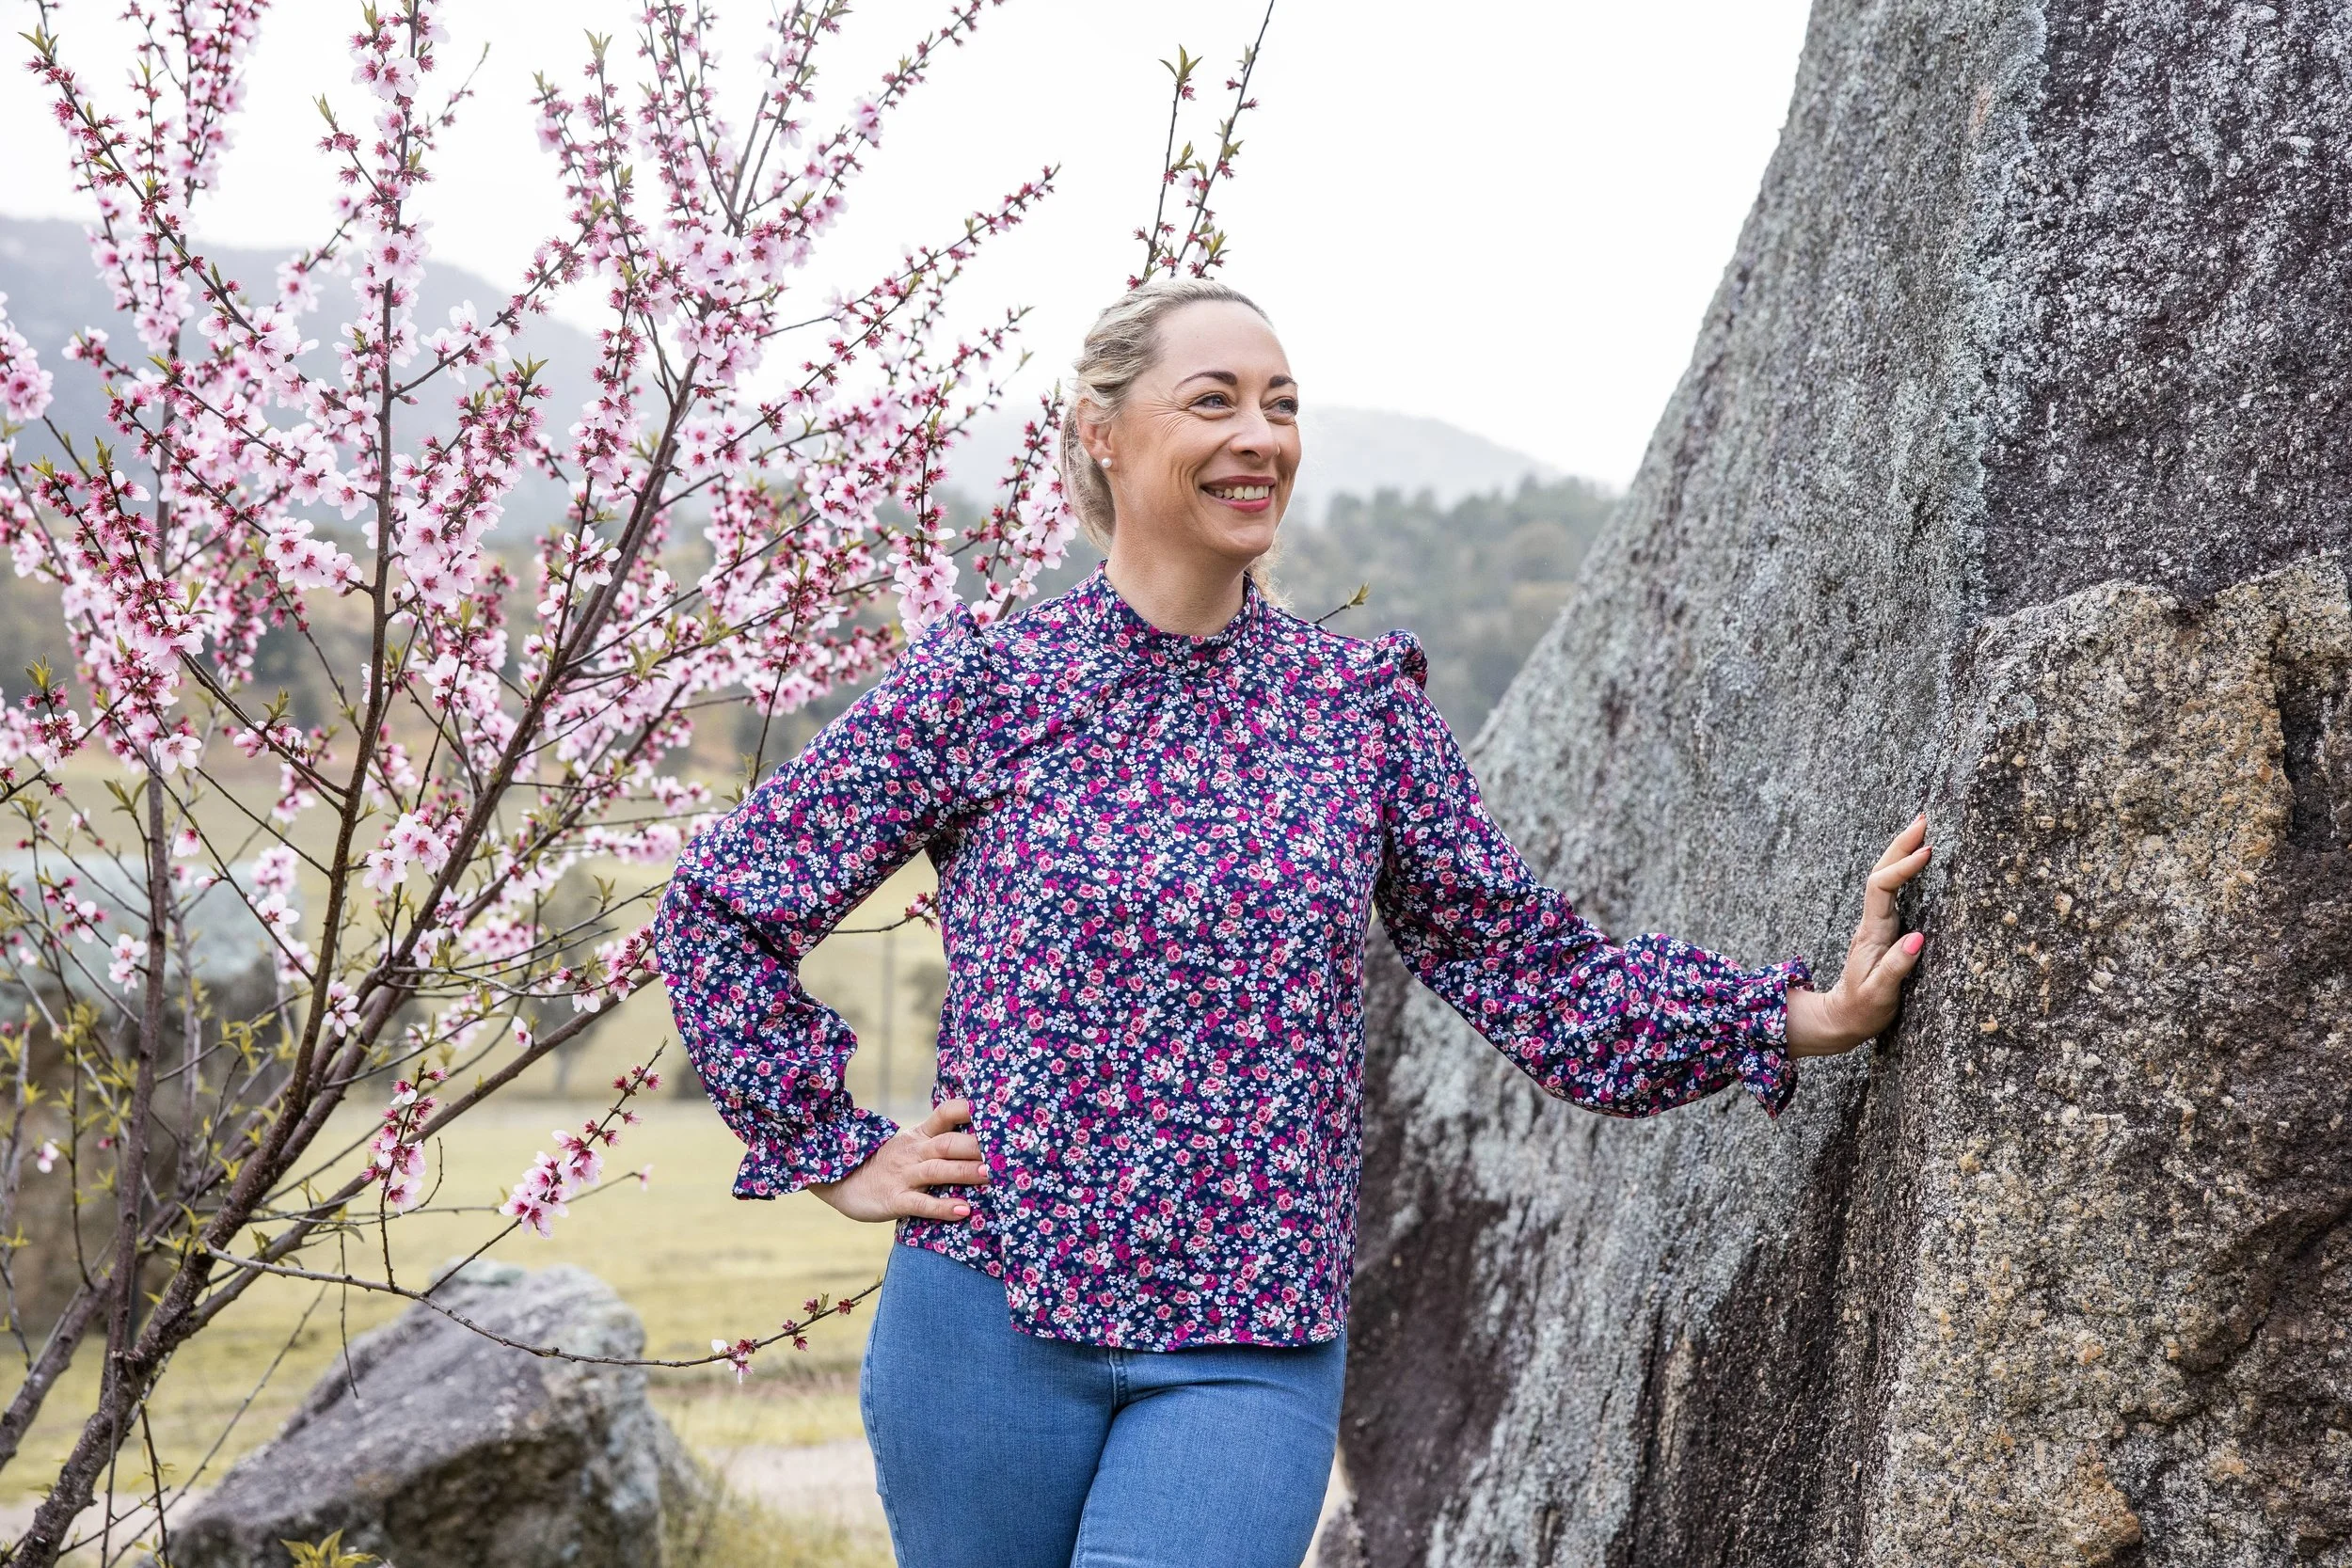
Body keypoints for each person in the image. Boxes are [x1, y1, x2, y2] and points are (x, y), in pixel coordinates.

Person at [650, 277, 1931, 1568]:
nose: (1261, 435)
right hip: (984, 1325)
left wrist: (1796, 1014)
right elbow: (718, 907)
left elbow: (1533, 970)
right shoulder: (982, 689)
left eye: (1282, 406)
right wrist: (834, 1147)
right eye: (1213, 400)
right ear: (1101, 430)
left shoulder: (1355, 710)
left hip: (1247, 1343)